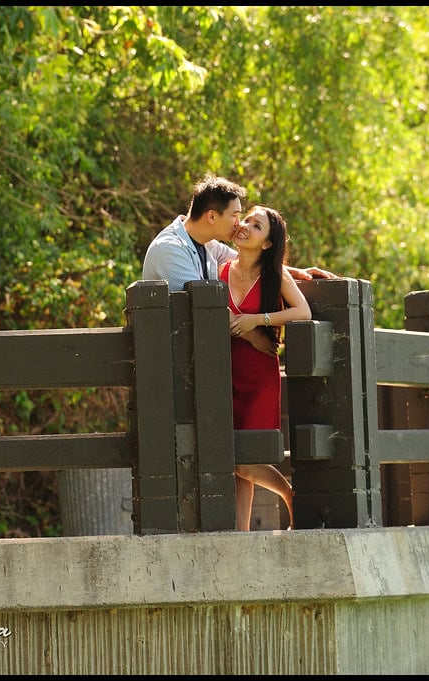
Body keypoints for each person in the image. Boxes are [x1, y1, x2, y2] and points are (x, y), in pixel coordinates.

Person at [142, 173, 334, 355]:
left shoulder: (207, 244)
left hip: (197, 358)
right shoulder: (171, 249)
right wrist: (252, 336)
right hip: (167, 362)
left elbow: (250, 260)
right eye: (235, 215)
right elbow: (204, 306)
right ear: (212, 217)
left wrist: (295, 272)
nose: (238, 223)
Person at [223, 205, 311, 530]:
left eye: (256, 226)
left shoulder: (275, 276)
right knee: (235, 459)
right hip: (226, 373)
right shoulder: (220, 270)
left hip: (259, 375)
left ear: (267, 244)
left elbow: (302, 311)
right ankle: (241, 532)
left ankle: (290, 495)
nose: (245, 225)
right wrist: (240, 329)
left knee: (245, 459)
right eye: (246, 220)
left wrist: (254, 321)